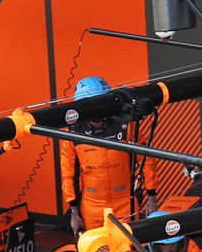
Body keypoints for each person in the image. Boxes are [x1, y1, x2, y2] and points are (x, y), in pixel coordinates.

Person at [59, 76, 156, 233]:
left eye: (100, 101)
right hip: (92, 206)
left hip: (125, 202)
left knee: (129, 246)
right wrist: (74, 212)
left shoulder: (126, 125)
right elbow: (68, 174)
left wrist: (152, 196)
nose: (95, 108)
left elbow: (147, 159)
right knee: (95, 247)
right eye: (89, 103)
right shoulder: (71, 132)